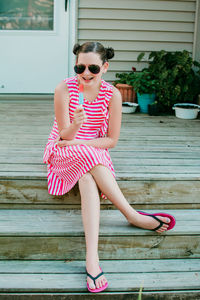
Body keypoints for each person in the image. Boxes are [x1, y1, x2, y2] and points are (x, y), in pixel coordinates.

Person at [43, 41, 176, 293]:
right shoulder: (64, 89)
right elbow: (63, 137)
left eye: (93, 67)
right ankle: (131, 215)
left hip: (92, 149)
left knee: (86, 178)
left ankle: (92, 259)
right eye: (79, 67)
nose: (85, 73)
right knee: (83, 154)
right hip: (63, 148)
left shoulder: (112, 95)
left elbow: (111, 141)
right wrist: (76, 125)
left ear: (105, 67)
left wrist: (83, 140)